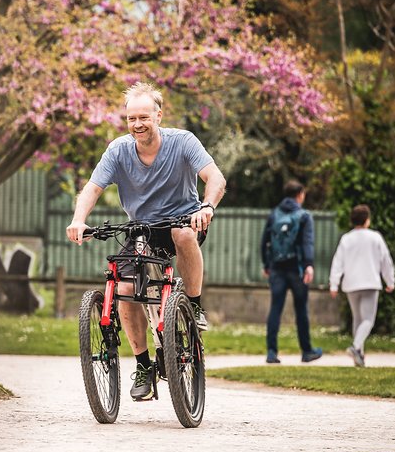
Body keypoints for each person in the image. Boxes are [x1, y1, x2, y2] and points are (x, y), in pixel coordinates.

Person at [66, 80, 225, 401]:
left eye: (144, 117)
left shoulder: (183, 142)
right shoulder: (118, 150)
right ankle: (143, 366)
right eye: (131, 119)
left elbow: (215, 178)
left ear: (158, 116)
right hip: (141, 229)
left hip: (184, 220)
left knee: (182, 235)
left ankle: (193, 306)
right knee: (123, 286)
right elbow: (92, 188)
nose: (138, 124)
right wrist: (78, 220)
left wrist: (206, 206)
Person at [261, 180, 323, 364]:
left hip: (277, 269)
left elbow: (264, 242)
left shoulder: (274, 215)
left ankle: (272, 352)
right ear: (300, 195)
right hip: (297, 269)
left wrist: (267, 265)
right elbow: (307, 243)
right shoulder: (304, 216)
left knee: (275, 309)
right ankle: (307, 351)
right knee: (301, 310)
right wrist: (309, 265)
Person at [329, 204, 395, 367]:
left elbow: (338, 262)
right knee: (368, 320)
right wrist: (390, 281)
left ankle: (359, 356)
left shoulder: (346, 238)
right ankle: (356, 347)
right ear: (367, 220)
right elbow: (385, 261)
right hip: (370, 283)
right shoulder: (375, 237)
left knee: (358, 320)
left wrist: (334, 284)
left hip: (351, 284)